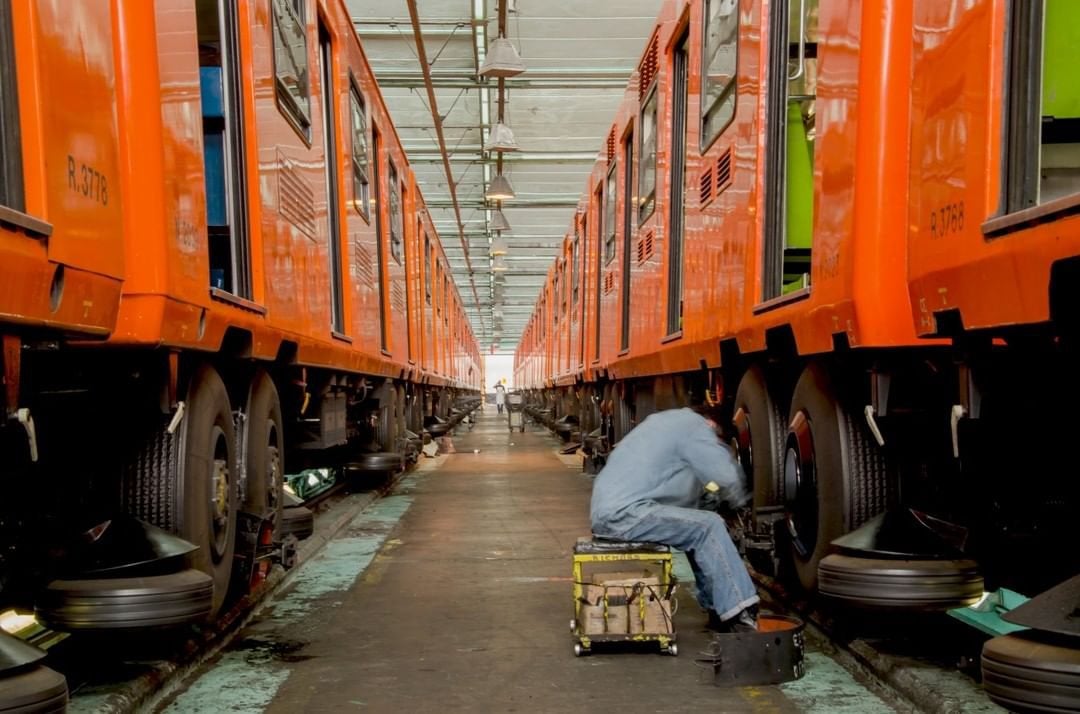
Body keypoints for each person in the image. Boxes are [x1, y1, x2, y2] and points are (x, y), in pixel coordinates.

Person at [589, 404, 759, 632]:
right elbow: (723, 475)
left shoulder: (667, 422)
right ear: (712, 424)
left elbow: (693, 485)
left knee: (696, 526)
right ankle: (740, 612)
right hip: (626, 513)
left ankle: (717, 608)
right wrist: (741, 501)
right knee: (709, 526)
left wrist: (711, 497)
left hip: (612, 510)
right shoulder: (695, 426)